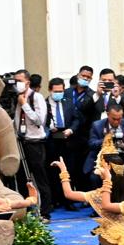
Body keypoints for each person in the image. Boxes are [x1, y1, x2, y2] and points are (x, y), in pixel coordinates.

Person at [55, 144, 124, 245]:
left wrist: (63, 171)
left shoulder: (99, 195)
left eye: (100, 163)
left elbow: (69, 193)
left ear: (107, 168)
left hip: (111, 240)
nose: (97, 166)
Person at [45, 75, 82, 214]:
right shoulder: (44, 103)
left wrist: (71, 130)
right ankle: (55, 200)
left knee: (69, 170)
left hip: (67, 140)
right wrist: (50, 127)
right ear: (50, 90)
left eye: (60, 91)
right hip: (52, 141)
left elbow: (77, 119)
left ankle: (69, 200)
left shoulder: (68, 102)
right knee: (53, 171)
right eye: (55, 91)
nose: (58, 93)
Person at [13, 72, 49, 205]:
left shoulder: (37, 97)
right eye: (15, 81)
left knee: (40, 178)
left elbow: (39, 120)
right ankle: (25, 208)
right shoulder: (15, 97)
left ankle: (45, 210)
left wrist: (24, 105)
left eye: (19, 80)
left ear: (27, 83)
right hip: (21, 142)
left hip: (35, 143)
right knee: (22, 178)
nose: (16, 83)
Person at [86, 101, 124, 183]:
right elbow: (91, 143)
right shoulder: (97, 125)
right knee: (94, 178)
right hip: (102, 161)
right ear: (108, 114)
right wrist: (106, 139)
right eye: (114, 119)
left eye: (119, 119)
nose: (116, 122)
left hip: (122, 159)